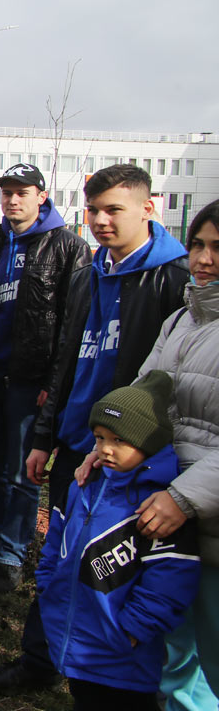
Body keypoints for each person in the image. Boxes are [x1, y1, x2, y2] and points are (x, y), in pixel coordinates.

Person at [0, 164, 190, 695]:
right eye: (93, 210)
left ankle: (113, 671)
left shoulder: (172, 277)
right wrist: (45, 434)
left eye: (114, 209)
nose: (100, 220)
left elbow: (170, 381)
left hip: (130, 454)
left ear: (147, 208)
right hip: (77, 441)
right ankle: (40, 661)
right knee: (64, 556)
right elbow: (68, 357)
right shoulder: (90, 271)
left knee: (116, 567)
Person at [37, 372, 200, 710]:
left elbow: (171, 580)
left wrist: (133, 630)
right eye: (99, 437)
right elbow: (56, 538)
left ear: (148, 443)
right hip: (78, 643)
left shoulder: (159, 507)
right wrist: (47, 583)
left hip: (125, 659)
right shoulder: (82, 485)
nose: (105, 449)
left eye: (119, 440)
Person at [0, 164, 91, 593]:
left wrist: (53, 384)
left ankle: (12, 554)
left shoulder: (68, 247)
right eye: (6, 193)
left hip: (30, 379)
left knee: (23, 472)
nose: (12, 200)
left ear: (41, 195)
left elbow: (71, 325)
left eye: (21, 192)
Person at [124, 199, 219, 708]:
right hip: (173, 519)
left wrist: (184, 497)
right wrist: (108, 444)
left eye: (218, 248)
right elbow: (145, 394)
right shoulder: (183, 318)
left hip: (201, 514)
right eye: (199, 244)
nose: (203, 259)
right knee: (175, 649)